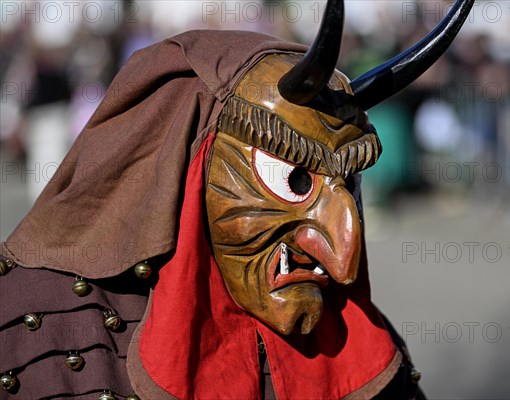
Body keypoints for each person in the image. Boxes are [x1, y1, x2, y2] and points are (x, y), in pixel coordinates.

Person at [0, 1, 473, 398]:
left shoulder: (365, 342)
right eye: (294, 181)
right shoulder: (43, 324)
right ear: (185, 164)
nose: (343, 261)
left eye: (348, 184)